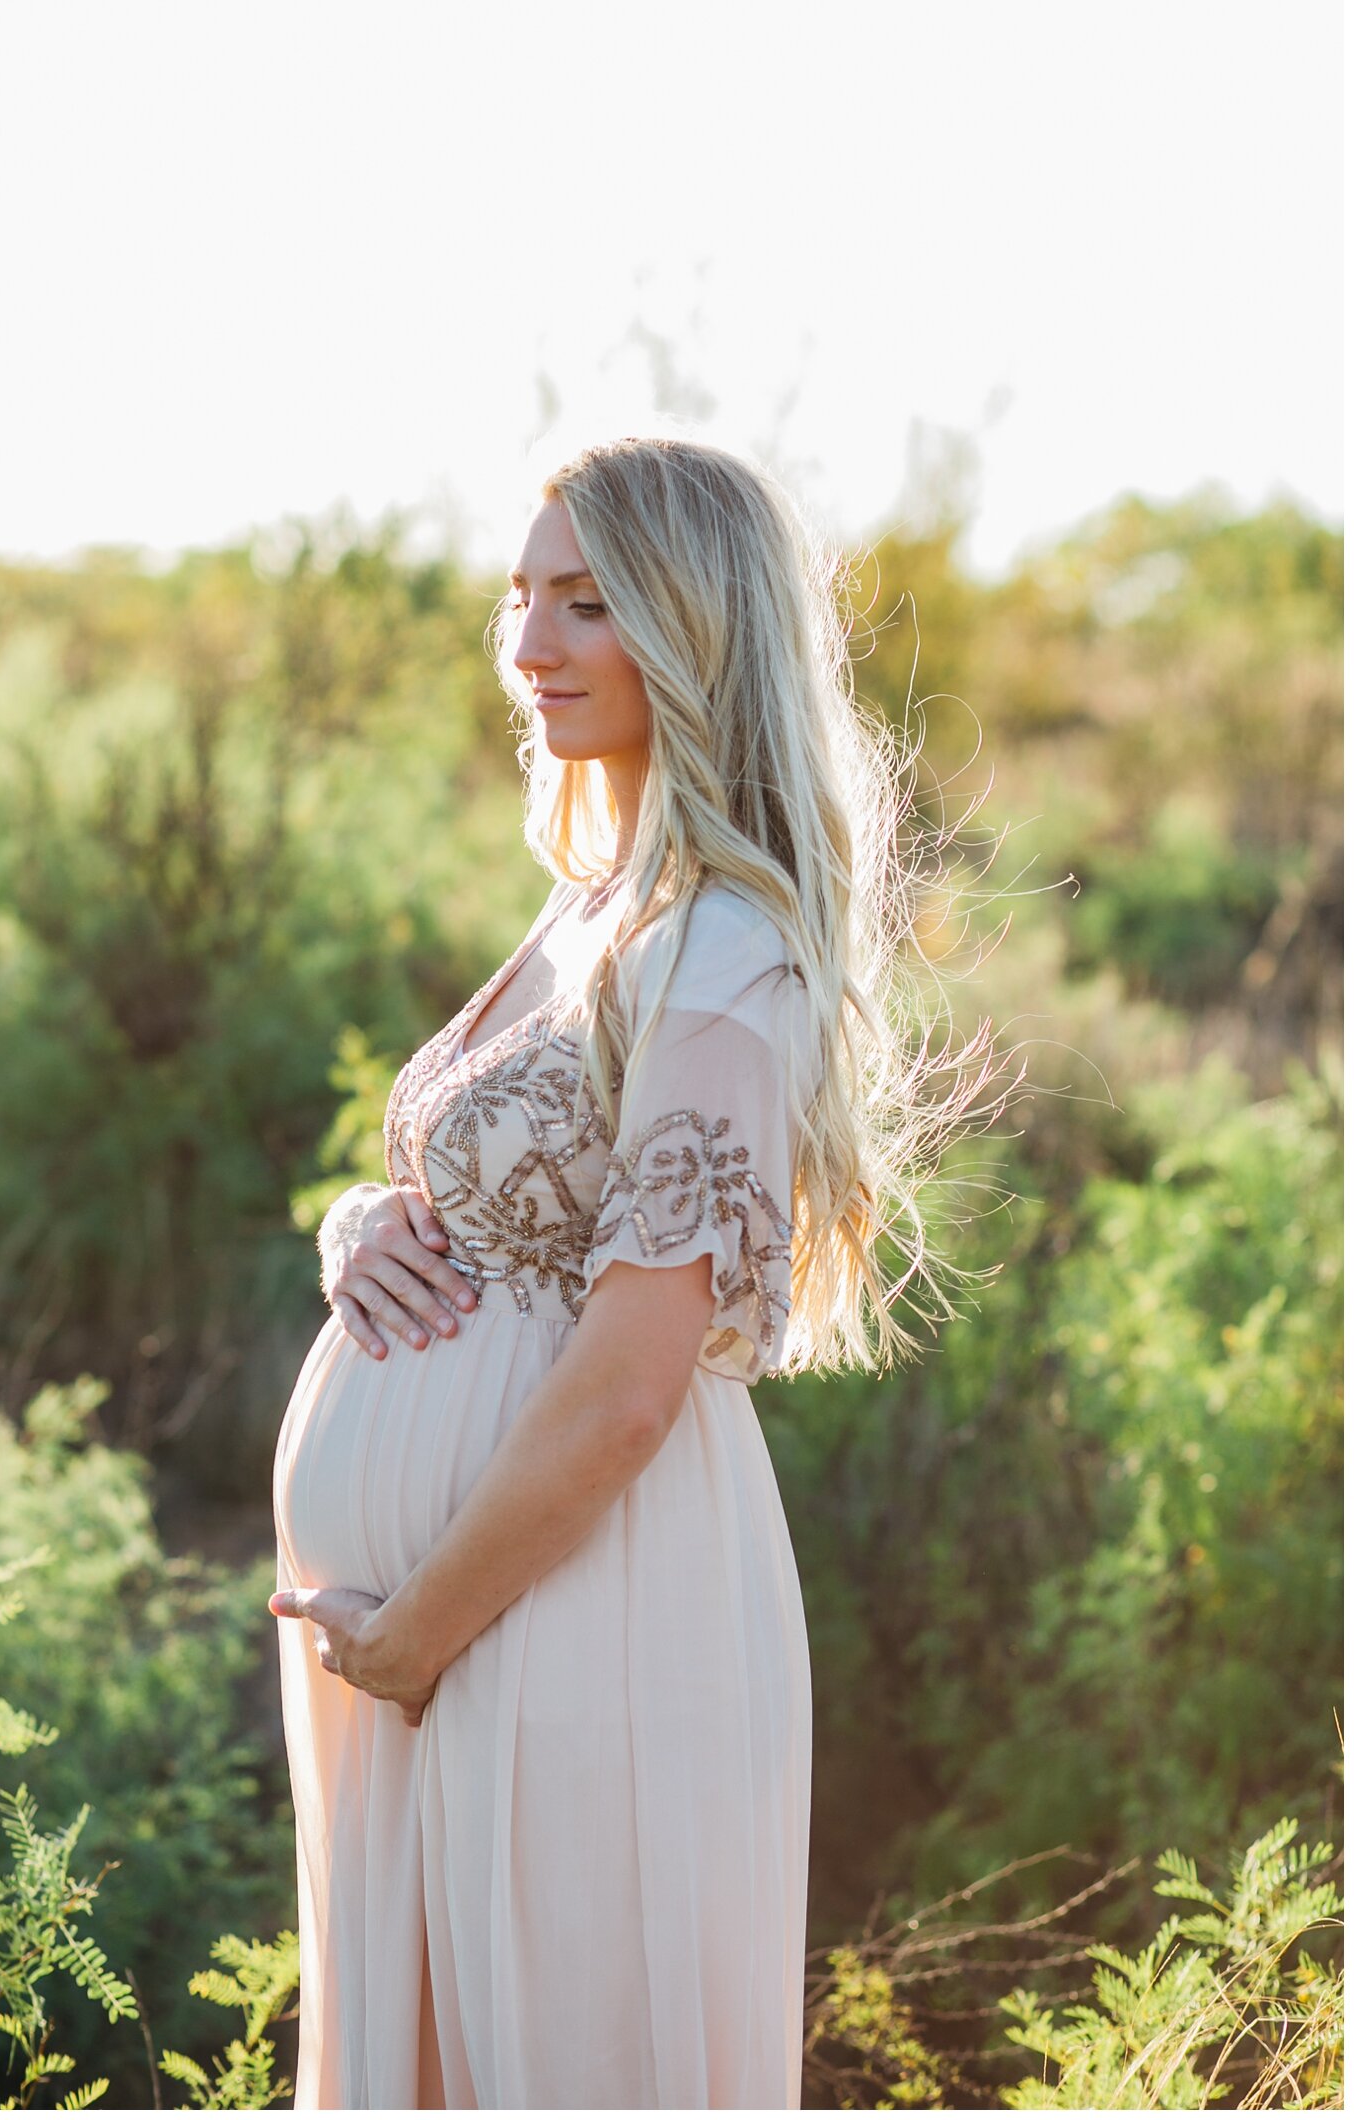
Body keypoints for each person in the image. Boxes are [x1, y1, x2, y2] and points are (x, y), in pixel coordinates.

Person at [268, 433, 1010, 2109]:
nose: (532, 644)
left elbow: (625, 1390)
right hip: (456, 1635)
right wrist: (365, 1222)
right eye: (522, 595)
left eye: (589, 603)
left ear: (697, 628)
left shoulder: (724, 941)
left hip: (561, 1620)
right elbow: (501, 1190)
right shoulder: (592, 905)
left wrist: (420, 1635)